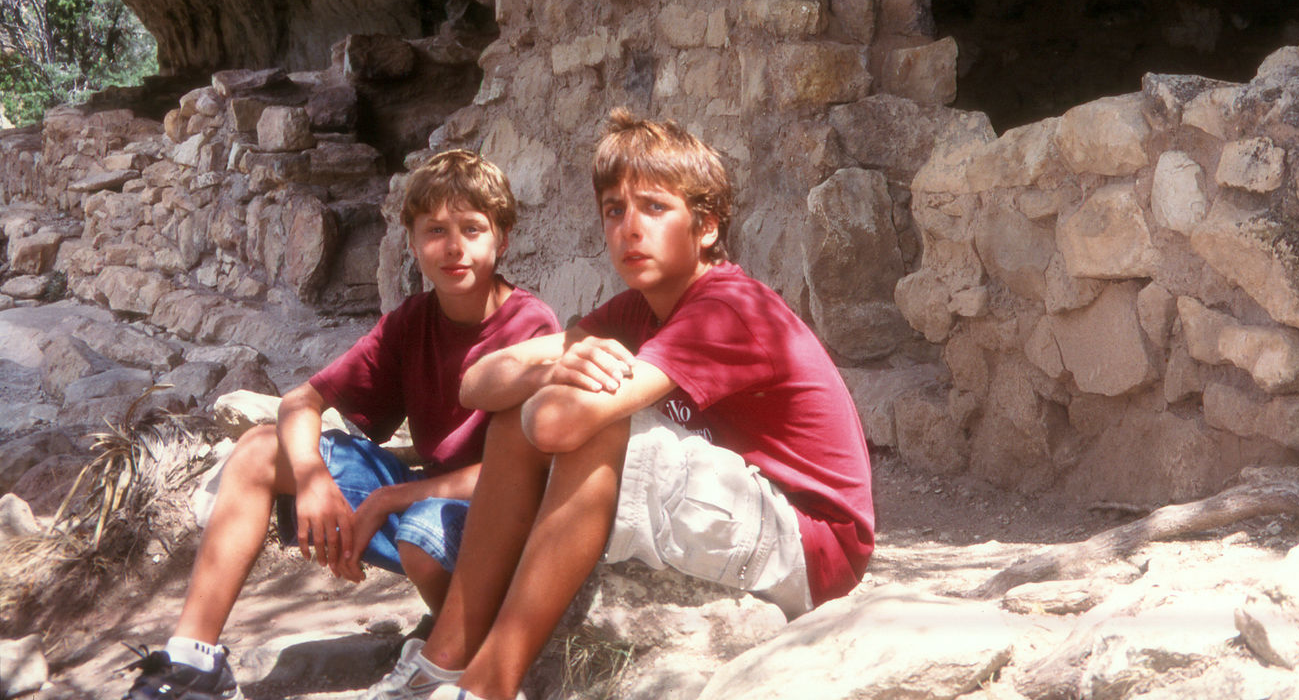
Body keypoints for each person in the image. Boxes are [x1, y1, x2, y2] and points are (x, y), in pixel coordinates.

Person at [363, 109, 874, 700]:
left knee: (592, 422)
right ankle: (446, 660)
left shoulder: (726, 308)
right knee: (523, 411)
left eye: (655, 208)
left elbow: (557, 423)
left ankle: (489, 686)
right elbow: (475, 383)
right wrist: (552, 365)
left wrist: (551, 388)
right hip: (745, 509)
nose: (630, 228)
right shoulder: (638, 308)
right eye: (614, 211)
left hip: (811, 544)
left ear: (705, 226)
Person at [122, 149, 560, 700]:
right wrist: (310, 477)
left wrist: (387, 500)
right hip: (422, 502)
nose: (454, 247)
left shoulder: (529, 324)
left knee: (424, 531)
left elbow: (520, 471)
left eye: (472, 229)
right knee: (260, 450)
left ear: (503, 239)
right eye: (435, 230)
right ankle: (194, 660)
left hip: (498, 518)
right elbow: (301, 401)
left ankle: (468, 644)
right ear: (412, 242)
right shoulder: (411, 322)